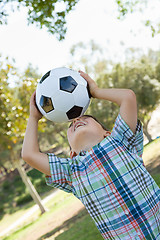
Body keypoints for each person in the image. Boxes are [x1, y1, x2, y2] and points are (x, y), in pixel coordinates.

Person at [22, 71, 160, 239]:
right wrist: (34, 117)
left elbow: (128, 97)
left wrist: (95, 91)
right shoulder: (72, 171)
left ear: (107, 133)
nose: (76, 121)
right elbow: (29, 154)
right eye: (71, 126)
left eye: (85, 118)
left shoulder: (120, 141)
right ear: (72, 153)